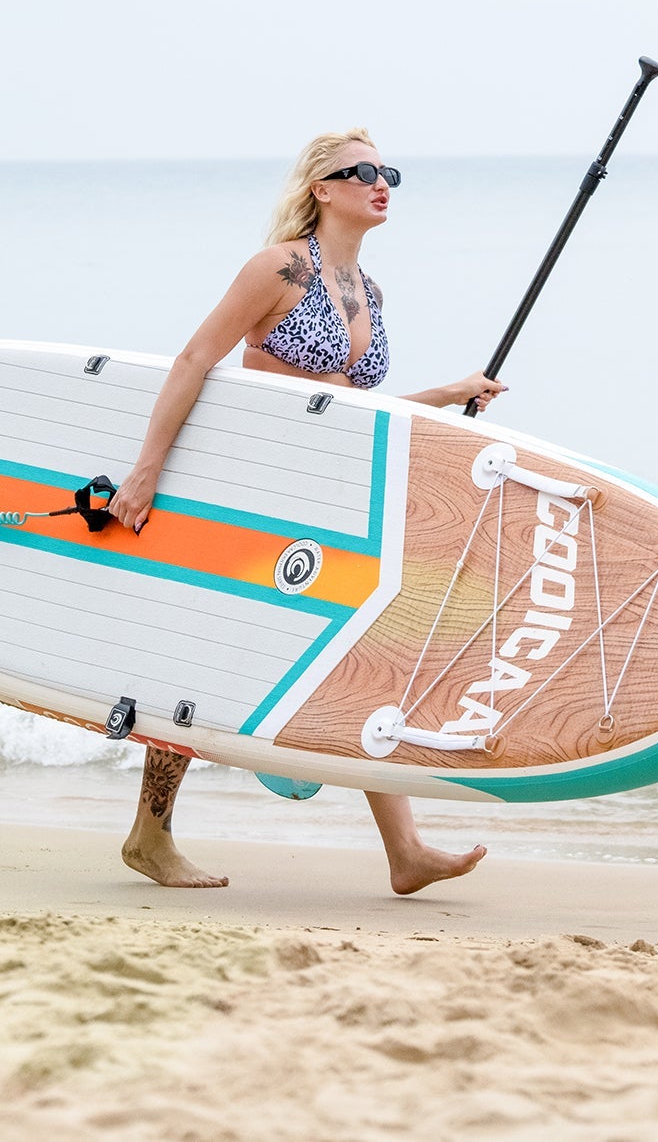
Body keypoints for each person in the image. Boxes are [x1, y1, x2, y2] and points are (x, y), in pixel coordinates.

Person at [106, 128, 507, 894]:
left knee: (356, 650)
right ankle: (148, 837)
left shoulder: (370, 289)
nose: (379, 181)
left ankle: (405, 851)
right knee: (213, 653)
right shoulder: (280, 268)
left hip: (323, 495)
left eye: (387, 171)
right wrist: (147, 469)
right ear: (321, 189)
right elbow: (196, 359)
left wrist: (446, 397)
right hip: (253, 488)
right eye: (360, 172)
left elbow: (348, 405)